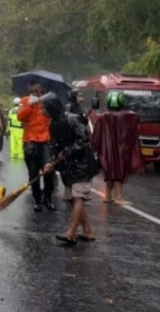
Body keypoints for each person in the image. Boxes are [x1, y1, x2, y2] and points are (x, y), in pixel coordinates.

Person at [41, 96, 99, 245]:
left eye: (43, 108)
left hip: (83, 164)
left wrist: (66, 152)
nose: (41, 111)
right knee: (73, 199)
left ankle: (71, 232)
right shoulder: (53, 124)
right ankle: (87, 230)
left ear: (51, 108)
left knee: (78, 197)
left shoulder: (72, 119)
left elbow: (84, 140)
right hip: (68, 167)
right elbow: (54, 146)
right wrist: (50, 162)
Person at [92, 91, 143, 205]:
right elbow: (136, 121)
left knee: (109, 171)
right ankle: (118, 197)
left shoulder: (102, 117)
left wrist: (96, 147)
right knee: (118, 172)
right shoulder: (128, 116)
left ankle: (108, 196)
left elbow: (96, 135)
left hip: (107, 150)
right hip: (120, 149)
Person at [18, 81, 56, 212]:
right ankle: (37, 200)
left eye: (36, 91)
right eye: (31, 91)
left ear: (41, 90)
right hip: (30, 140)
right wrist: (29, 106)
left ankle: (48, 198)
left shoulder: (48, 100)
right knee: (33, 173)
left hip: (46, 139)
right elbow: (19, 117)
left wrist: (44, 106)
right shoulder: (25, 100)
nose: (33, 93)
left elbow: (54, 117)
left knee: (48, 171)